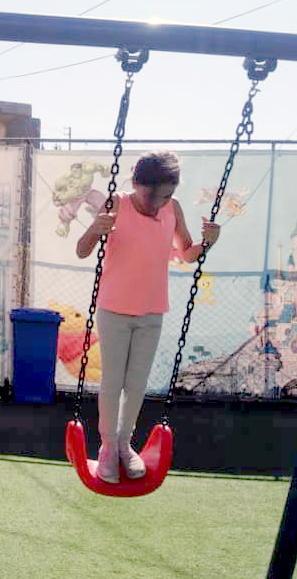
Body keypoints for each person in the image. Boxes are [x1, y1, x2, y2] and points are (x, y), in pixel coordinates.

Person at [75, 151, 219, 484]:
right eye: (149, 196)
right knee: (113, 381)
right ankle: (107, 447)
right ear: (136, 184)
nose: (157, 204)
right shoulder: (117, 203)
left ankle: (125, 444)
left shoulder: (173, 208)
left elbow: (187, 254)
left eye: (165, 196)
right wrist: (95, 228)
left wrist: (208, 243)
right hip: (114, 308)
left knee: (137, 383)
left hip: (152, 310)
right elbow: (82, 250)